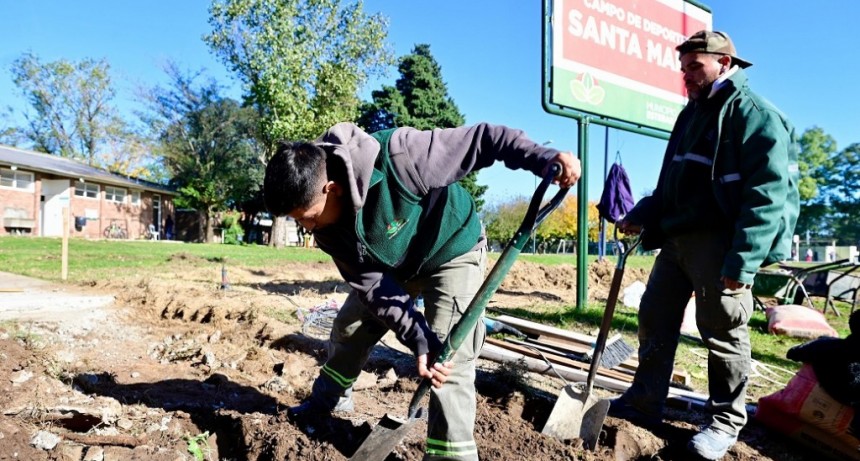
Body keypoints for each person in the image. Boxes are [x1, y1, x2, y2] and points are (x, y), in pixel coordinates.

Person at [263, 122, 579, 460]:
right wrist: (417, 337)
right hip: (392, 267)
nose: (307, 229)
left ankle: (450, 455)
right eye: (299, 222)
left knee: (448, 358)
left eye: (308, 217)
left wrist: (541, 158)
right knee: (350, 327)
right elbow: (372, 285)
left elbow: (486, 139)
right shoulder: (325, 228)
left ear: (331, 188)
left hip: (451, 250)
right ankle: (327, 401)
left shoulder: (403, 156)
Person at [610, 30, 799, 460]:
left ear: (725, 64)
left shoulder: (754, 115)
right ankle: (645, 400)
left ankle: (725, 421)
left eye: (695, 67)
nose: (687, 77)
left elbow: (767, 198)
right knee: (654, 317)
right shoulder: (691, 114)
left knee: (724, 331)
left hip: (720, 243)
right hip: (677, 239)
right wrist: (644, 212)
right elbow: (673, 183)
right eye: (683, 70)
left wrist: (744, 260)